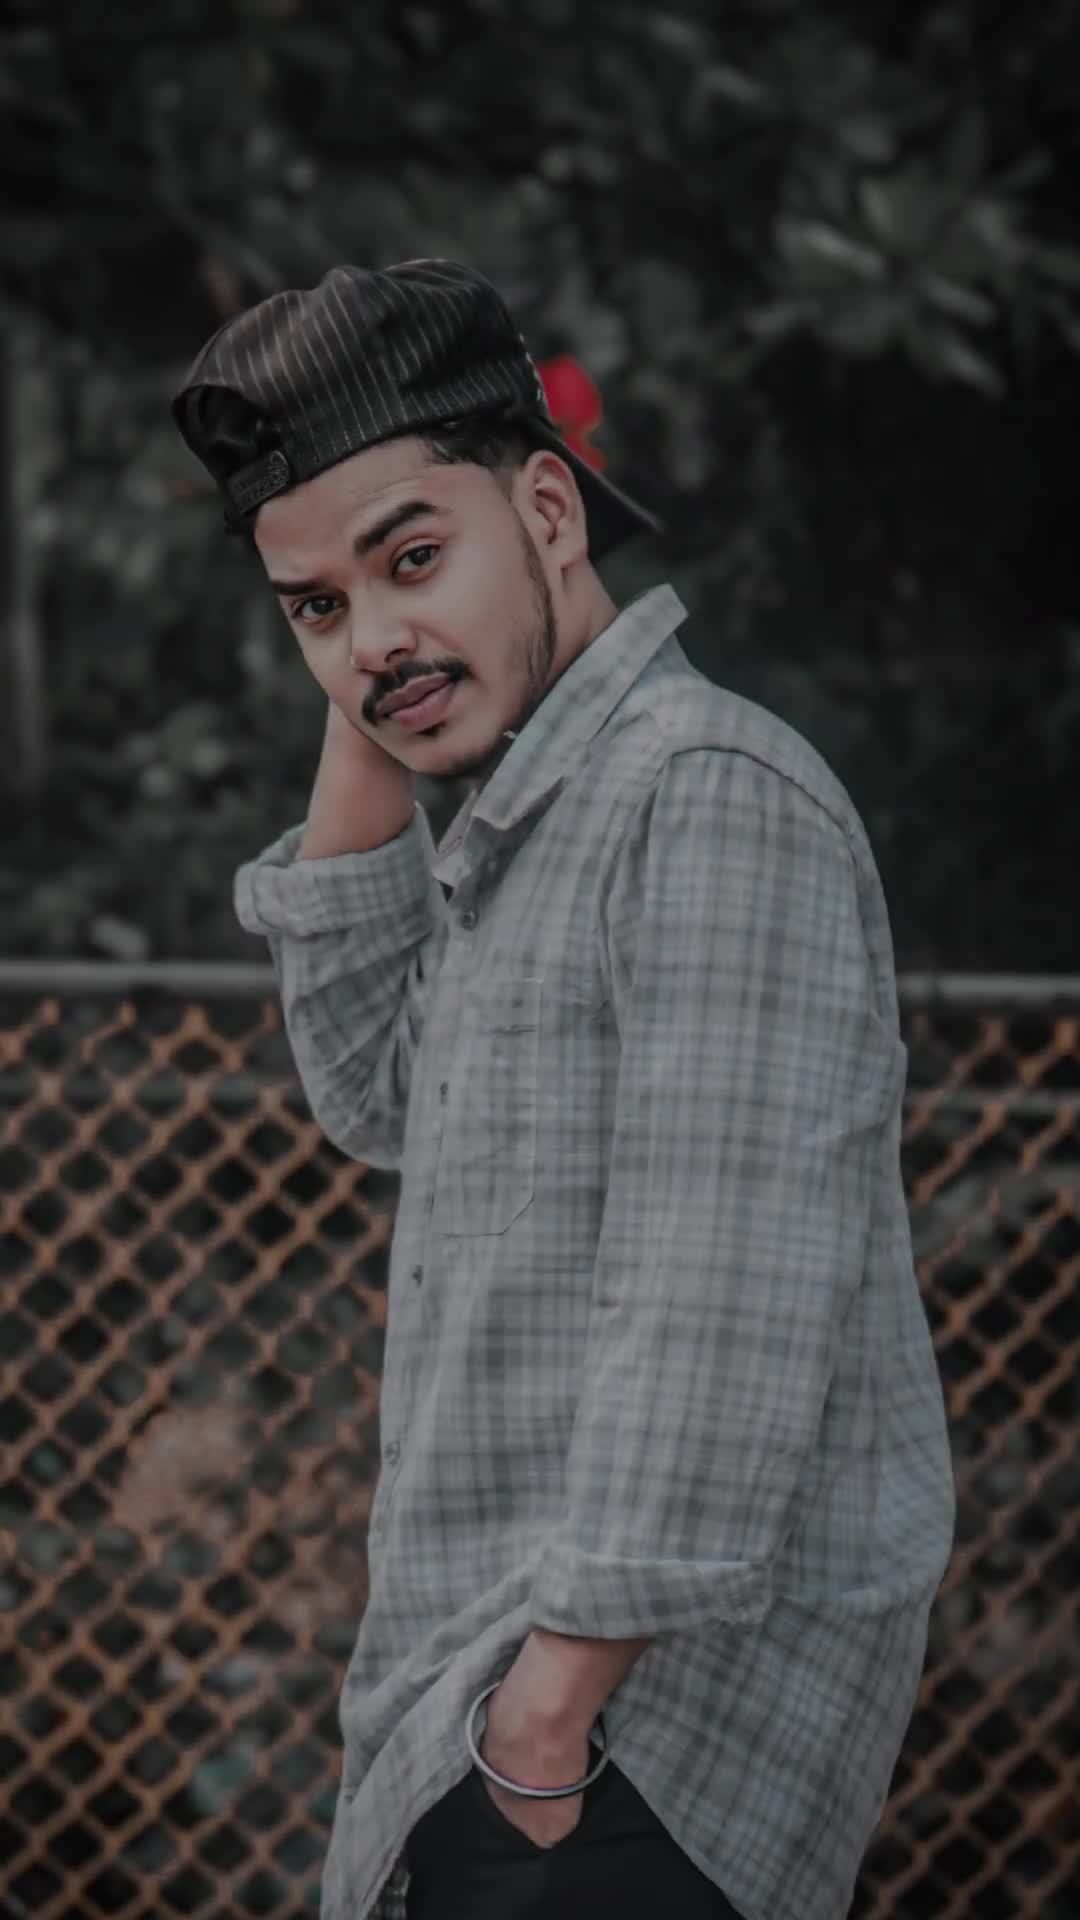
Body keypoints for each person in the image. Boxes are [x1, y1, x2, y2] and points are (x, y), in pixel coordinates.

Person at [172, 259, 955, 1920]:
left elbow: (722, 1299)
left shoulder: (702, 795)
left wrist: (545, 1729)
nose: (370, 635)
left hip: (632, 1735)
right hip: (504, 1715)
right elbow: (368, 1091)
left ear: (548, 510)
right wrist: (383, 657)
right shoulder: (532, 827)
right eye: (312, 608)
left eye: (415, 555)